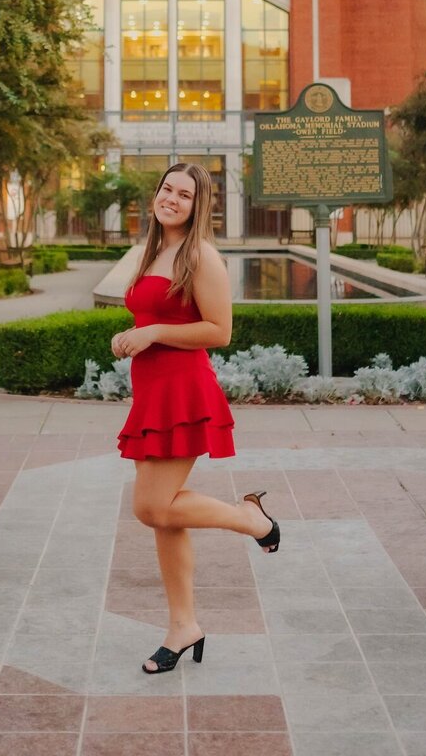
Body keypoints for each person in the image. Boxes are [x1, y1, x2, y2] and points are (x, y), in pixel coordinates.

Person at [113, 162, 281, 675]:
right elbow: (153, 317)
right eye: (167, 188)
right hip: (154, 393)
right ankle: (183, 625)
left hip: (184, 392)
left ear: (197, 205)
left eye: (184, 194)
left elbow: (219, 331)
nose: (172, 198)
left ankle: (253, 519)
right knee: (165, 516)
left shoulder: (201, 255)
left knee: (151, 508)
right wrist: (134, 335)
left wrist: (153, 333)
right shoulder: (154, 250)